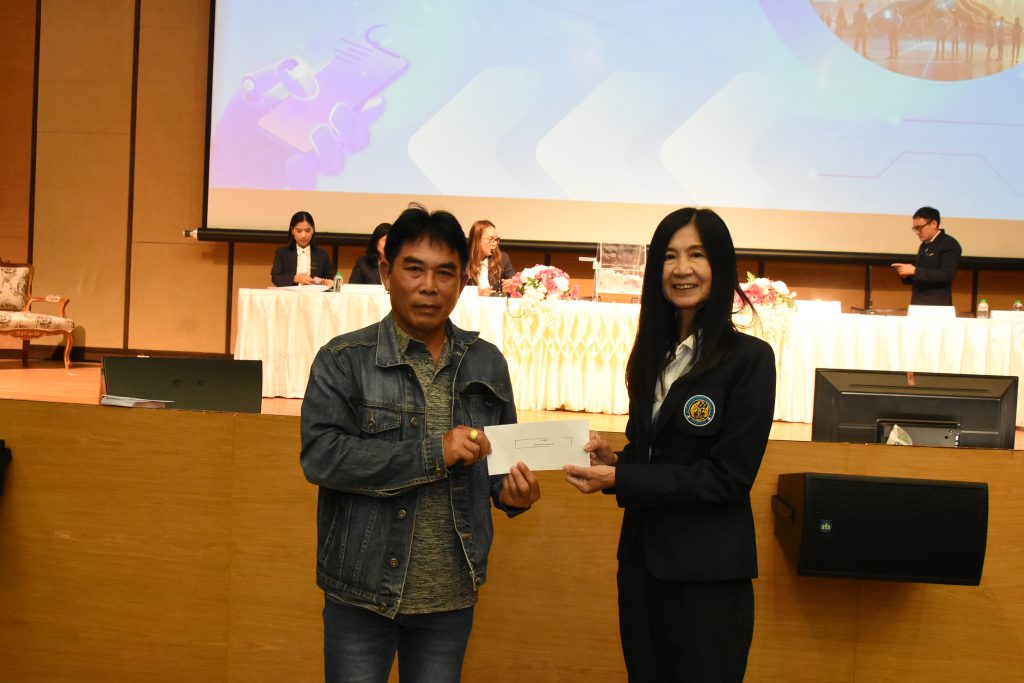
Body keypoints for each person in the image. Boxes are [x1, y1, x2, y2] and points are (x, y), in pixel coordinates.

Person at [300, 203, 541, 683]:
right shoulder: (344, 359)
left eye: (444, 273)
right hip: (361, 591)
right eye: (414, 269)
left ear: (461, 281)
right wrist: (435, 452)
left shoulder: (487, 363)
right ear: (387, 273)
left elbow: (501, 467)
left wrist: (513, 495)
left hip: (450, 596)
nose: (429, 286)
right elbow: (322, 458)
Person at [563, 207, 776, 682]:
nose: (682, 269)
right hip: (641, 570)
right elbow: (656, 453)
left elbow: (728, 477)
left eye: (697, 255)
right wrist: (617, 459)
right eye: (669, 256)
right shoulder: (651, 356)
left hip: (707, 579)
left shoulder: (749, 360)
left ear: (721, 265)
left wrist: (622, 477)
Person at [891, 206, 962, 306]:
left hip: (937, 305)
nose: (918, 232)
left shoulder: (949, 243)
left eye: (920, 228)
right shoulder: (924, 245)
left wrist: (915, 270)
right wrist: (906, 276)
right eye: (915, 229)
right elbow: (922, 277)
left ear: (933, 224)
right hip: (918, 302)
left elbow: (946, 275)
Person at [271, 211, 335, 286]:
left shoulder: (322, 255)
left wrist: (329, 283)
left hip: (314, 293)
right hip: (289, 293)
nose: (303, 235)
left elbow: (330, 279)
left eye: (307, 231)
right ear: (292, 230)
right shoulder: (282, 253)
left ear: (313, 229)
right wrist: (295, 278)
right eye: (299, 231)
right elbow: (276, 277)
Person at [466, 220, 514, 296]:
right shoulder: (462, 261)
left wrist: (512, 285)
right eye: (491, 239)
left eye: (496, 239)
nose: (495, 243)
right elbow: (455, 291)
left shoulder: (503, 258)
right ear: (477, 240)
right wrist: (477, 294)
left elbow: (513, 281)